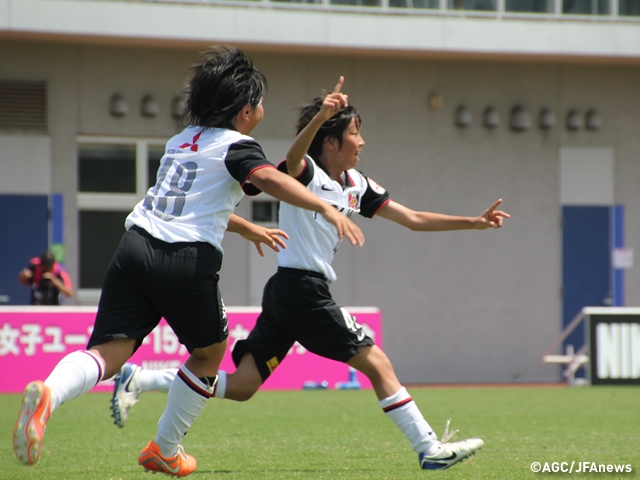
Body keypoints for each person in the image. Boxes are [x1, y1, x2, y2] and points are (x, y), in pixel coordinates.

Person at [110, 77, 510, 471]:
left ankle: (141, 379)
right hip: (303, 291)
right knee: (379, 364)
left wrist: (472, 222)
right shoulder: (307, 173)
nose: (362, 142)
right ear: (331, 143)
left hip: (287, 293)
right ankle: (429, 448)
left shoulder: (357, 185)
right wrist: (320, 118)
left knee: (244, 386)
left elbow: (413, 218)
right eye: (355, 133)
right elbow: (295, 157)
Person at [12, 47, 364, 477]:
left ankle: (48, 393)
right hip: (185, 259)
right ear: (246, 109)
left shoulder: (181, 141)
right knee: (210, 352)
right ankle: (165, 448)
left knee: (108, 353)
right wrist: (325, 207)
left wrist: (246, 228)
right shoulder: (238, 146)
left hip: (134, 246)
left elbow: (192, 204)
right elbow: (270, 176)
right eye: (261, 103)